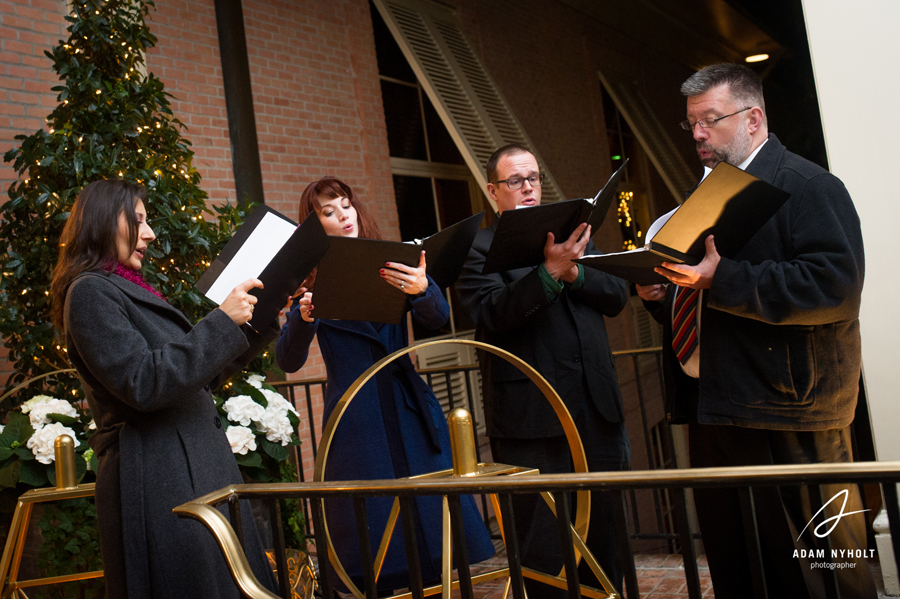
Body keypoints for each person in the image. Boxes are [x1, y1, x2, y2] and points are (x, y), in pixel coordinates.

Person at [636, 63, 874, 598]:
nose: (697, 133)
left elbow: (836, 285)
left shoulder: (809, 185)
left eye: (710, 120)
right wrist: (664, 295)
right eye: (691, 123)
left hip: (794, 410)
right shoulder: (711, 193)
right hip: (719, 405)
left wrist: (724, 278)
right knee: (743, 565)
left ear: (753, 118)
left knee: (825, 572)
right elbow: (706, 291)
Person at [49, 180, 279, 599]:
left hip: (189, 471)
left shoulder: (127, 289)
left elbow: (198, 374)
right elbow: (144, 382)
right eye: (138, 220)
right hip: (158, 478)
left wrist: (256, 317)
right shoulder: (89, 293)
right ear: (102, 222)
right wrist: (221, 322)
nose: (150, 233)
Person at [276, 177, 494, 593]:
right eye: (328, 212)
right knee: (376, 542)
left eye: (345, 205)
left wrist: (423, 288)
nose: (342, 216)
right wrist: (303, 320)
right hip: (357, 420)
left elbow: (437, 319)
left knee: (435, 535)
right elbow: (288, 359)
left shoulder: (393, 261)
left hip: (407, 407)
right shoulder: (312, 282)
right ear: (315, 225)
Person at [456, 145, 630, 597]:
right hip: (533, 423)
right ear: (494, 192)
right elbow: (491, 314)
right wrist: (550, 274)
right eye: (516, 180)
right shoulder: (479, 247)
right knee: (546, 551)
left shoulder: (577, 233)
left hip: (597, 411)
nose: (529, 186)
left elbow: (616, 295)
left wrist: (576, 275)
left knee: (607, 541)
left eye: (533, 177)